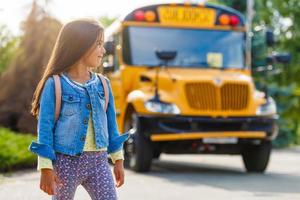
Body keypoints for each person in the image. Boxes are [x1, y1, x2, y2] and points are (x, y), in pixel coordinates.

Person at [28, 19, 129, 200]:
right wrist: (45, 167)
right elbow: (45, 129)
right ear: (81, 45)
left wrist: (118, 160)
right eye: (98, 44)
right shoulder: (55, 84)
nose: (103, 50)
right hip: (66, 161)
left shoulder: (103, 84)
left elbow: (112, 126)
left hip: (98, 161)